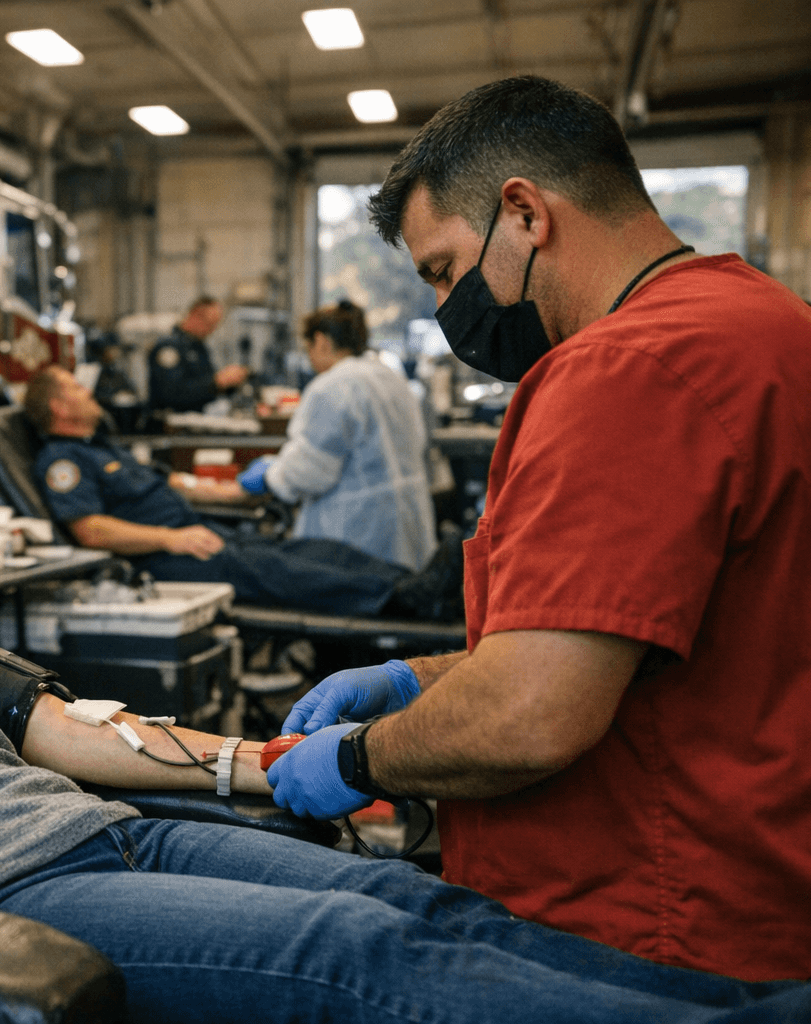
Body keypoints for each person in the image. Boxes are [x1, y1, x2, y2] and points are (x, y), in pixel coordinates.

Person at [0, 418, 809, 1024]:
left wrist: (272, 764)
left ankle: (745, 1004)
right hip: (17, 890)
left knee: (413, 901)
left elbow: (56, 726)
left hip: (121, 827)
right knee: (349, 953)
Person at [266, 75, 811, 982]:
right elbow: (650, 641)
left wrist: (365, 757)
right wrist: (420, 680)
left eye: (444, 270)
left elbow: (530, 715)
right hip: (761, 895)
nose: (448, 310)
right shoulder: (769, 324)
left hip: (642, 928)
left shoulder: (623, 369)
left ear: (524, 213)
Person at [25, 365, 460, 620]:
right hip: (162, 558)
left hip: (194, 533)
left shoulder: (100, 448)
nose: (88, 391)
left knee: (310, 550)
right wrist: (171, 539)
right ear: (59, 408)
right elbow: (90, 531)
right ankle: (403, 603)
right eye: (76, 388)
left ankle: (410, 583)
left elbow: (172, 483)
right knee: (272, 568)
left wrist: (235, 492)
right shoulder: (62, 461)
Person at [240, 299, 438, 572]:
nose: (310, 357)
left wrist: (270, 475)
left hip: (355, 535)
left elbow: (310, 472)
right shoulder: (391, 378)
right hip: (408, 526)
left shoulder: (331, 388)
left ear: (321, 341)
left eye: (309, 347)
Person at [146, 296, 248, 413]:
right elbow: (172, 395)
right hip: (168, 425)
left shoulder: (199, 348)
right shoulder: (168, 348)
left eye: (215, 325)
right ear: (195, 315)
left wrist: (229, 384)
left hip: (195, 419)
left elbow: (207, 388)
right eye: (210, 324)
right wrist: (216, 382)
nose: (212, 330)